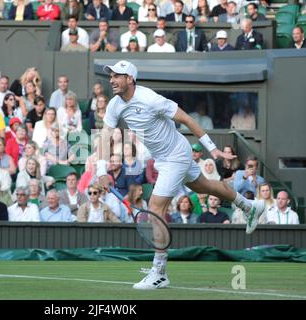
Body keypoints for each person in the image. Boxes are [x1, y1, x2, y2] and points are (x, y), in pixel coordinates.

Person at [101, 60, 265, 290]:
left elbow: (187, 119)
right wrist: (100, 171)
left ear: (130, 78)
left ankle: (159, 272)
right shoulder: (114, 105)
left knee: (156, 208)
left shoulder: (151, 99)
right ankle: (250, 206)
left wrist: (213, 149)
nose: (111, 80)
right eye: (110, 75)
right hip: (165, 157)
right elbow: (104, 136)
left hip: (176, 155)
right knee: (204, 186)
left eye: (117, 75)